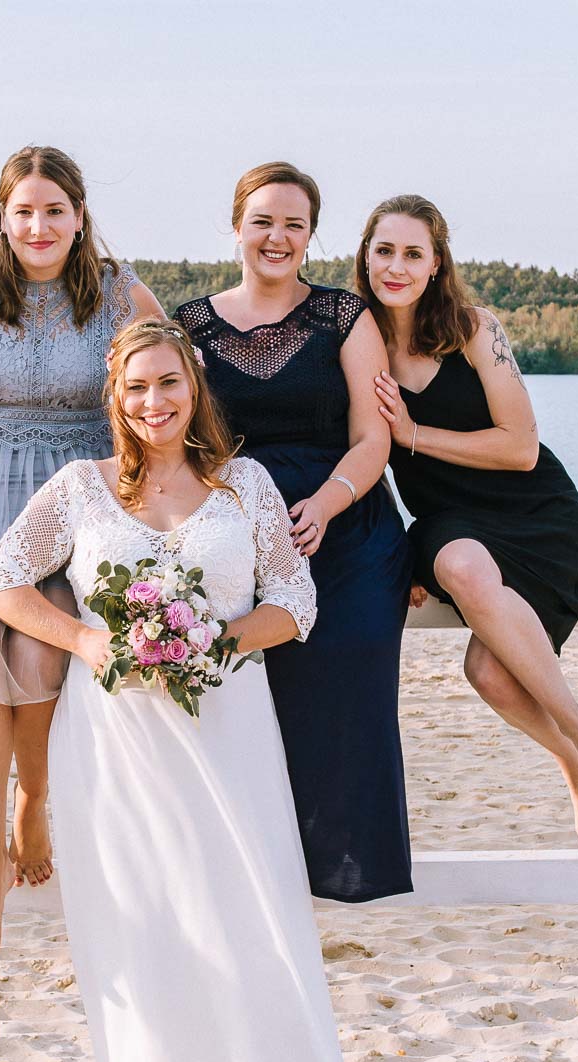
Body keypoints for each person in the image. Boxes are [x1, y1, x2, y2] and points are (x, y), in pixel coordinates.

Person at [0, 320, 374, 1062]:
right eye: (137, 388)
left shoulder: (246, 486)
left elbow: (296, 603)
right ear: (116, 400)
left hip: (228, 724)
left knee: (244, 908)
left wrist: (213, 643)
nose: (154, 402)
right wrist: (86, 641)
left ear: (194, 389)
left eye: (169, 384)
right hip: (118, 736)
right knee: (142, 912)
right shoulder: (81, 489)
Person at [0, 145, 163, 972]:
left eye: (55, 211)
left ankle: (37, 800)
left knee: (43, 633)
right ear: (3, 216)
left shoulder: (122, 294)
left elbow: (167, 396)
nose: (40, 226)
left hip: (80, 490)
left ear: (80, 216)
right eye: (25, 212)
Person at [358, 194, 578, 854]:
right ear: (365, 259)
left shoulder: (475, 328)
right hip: (443, 521)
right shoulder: (357, 343)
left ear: (435, 265)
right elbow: (360, 455)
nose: (397, 266)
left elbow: (520, 446)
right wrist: (389, 557)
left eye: (412, 253)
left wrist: (414, 432)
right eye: (384, 251)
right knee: (459, 566)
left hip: (533, 510)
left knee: (490, 675)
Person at [174, 162, 413, 903]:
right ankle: (248, 871)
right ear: (236, 224)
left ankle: (344, 872)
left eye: (294, 225)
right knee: (236, 691)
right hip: (232, 531)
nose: (278, 238)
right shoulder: (190, 326)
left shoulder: (344, 316)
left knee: (348, 665)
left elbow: (373, 439)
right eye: (264, 221)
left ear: (311, 235)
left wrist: (325, 504)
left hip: (340, 522)